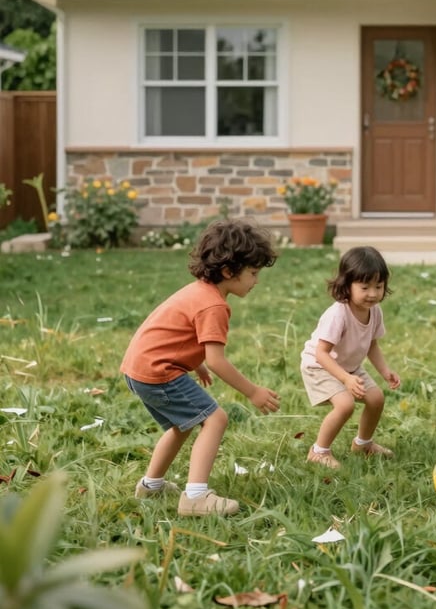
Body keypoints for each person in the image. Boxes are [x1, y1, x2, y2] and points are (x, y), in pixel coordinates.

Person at [121, 219, 281, 517]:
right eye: (254, 273)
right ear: (228, 271)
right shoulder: (215, 306)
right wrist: (253, 391)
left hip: (139, 368)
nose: (257, 281)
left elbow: (178, 336)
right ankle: (195, 497)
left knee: (182, 425)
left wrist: (195, 364)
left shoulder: (199, 291)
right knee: (216, 419)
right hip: (159, 371)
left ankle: (150, 485)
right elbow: (219, 360)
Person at [300, 246, 401, 468]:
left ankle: (363, 444)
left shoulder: (374, 311)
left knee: (376, 399)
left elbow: (372, 344)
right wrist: (345, 379)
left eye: (379, 286)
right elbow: (321, 353)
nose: (373, 294)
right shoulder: (338, 314)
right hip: (320, 366)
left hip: (349, 367)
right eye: (365, 287)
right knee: (345, 405)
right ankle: (319, 451)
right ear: (347, 285)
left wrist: (385, 371)